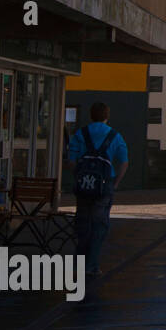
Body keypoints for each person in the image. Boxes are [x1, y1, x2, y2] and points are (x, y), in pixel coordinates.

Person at [65, 102, 129, 277]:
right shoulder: (115, 136)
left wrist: (78, 175)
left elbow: (70, 161)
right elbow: (124, 161)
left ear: (91, 115)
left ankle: (79, 262)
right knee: (99, 225)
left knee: (83, 223)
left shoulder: (80, 134)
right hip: (104, 184)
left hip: (84, 183)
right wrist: (115, 182)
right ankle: (92, 264)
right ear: (107, 116)